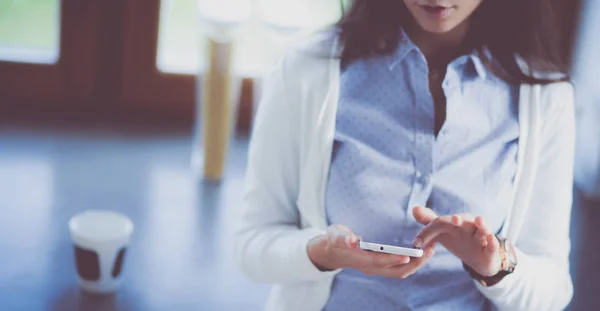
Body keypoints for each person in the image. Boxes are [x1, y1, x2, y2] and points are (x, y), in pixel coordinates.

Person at [235, 0, 575, 310]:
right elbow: (252, 246)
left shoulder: (545, 99)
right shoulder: (306, 70)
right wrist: (321, 252)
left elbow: (553, 290)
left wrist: (495, 266)